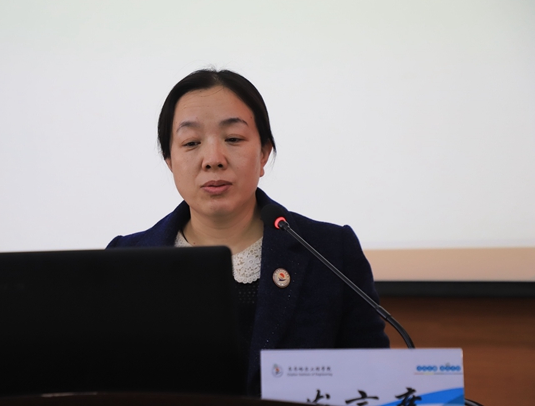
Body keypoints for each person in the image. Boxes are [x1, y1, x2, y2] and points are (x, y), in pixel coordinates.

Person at [106, 69, 389, 396]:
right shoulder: (124, 260)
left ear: (264, 153)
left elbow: (375, 384)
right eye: (191, 143)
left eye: (234, 139)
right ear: (170, 159)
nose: (213, 159)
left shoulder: (331, 252)